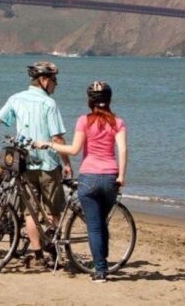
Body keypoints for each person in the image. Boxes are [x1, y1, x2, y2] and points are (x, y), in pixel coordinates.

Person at [0, 61, 72, 266]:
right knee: (53, 210)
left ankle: (37, 254)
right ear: (44, 80)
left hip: (24, 164)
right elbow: (57, 138)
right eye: (54, 80)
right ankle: (53, 250)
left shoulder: (16, 99)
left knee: (30, 211)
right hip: (48, 164)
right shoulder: (49, 104)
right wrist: (67, 163)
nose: (56, 84)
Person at [35, 81, 128, 283]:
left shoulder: (84, 121)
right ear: (109, 100)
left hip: (89, 178)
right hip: (111, 177)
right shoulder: (118, 122)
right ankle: (103, 261)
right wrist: (121, 175)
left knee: (94, 226)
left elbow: (74, 150)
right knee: (101, 222)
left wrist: (48, 145)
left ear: (89, 100)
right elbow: (122, 149)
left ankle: (100, 271)